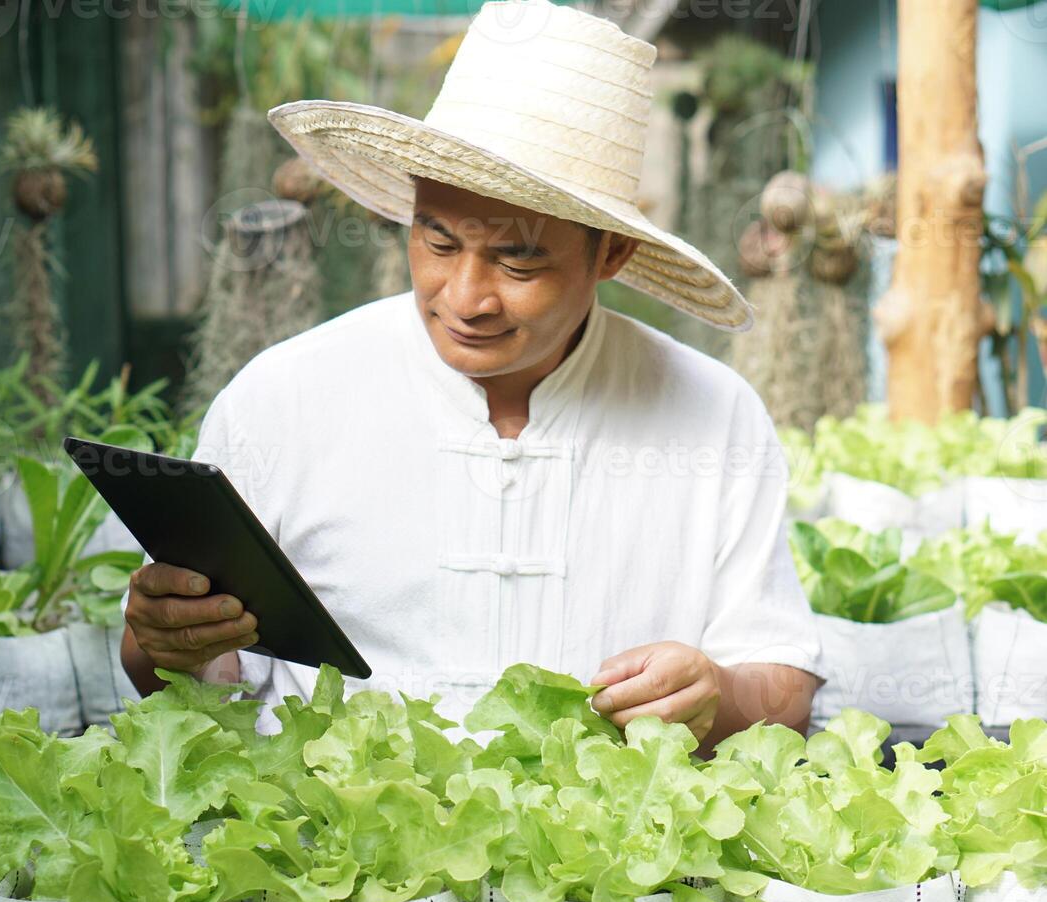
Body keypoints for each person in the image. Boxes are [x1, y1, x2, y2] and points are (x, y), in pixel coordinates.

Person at [121, 0, 819, 751]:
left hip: (616, 865)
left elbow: (784, 687)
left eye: (519, 260)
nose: (464, 299)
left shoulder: (714, 417)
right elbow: (181, 676)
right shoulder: (283, 398)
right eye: (439, 241)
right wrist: (164, 639)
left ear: (611, 254)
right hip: (328, 849)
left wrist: (718, 692)